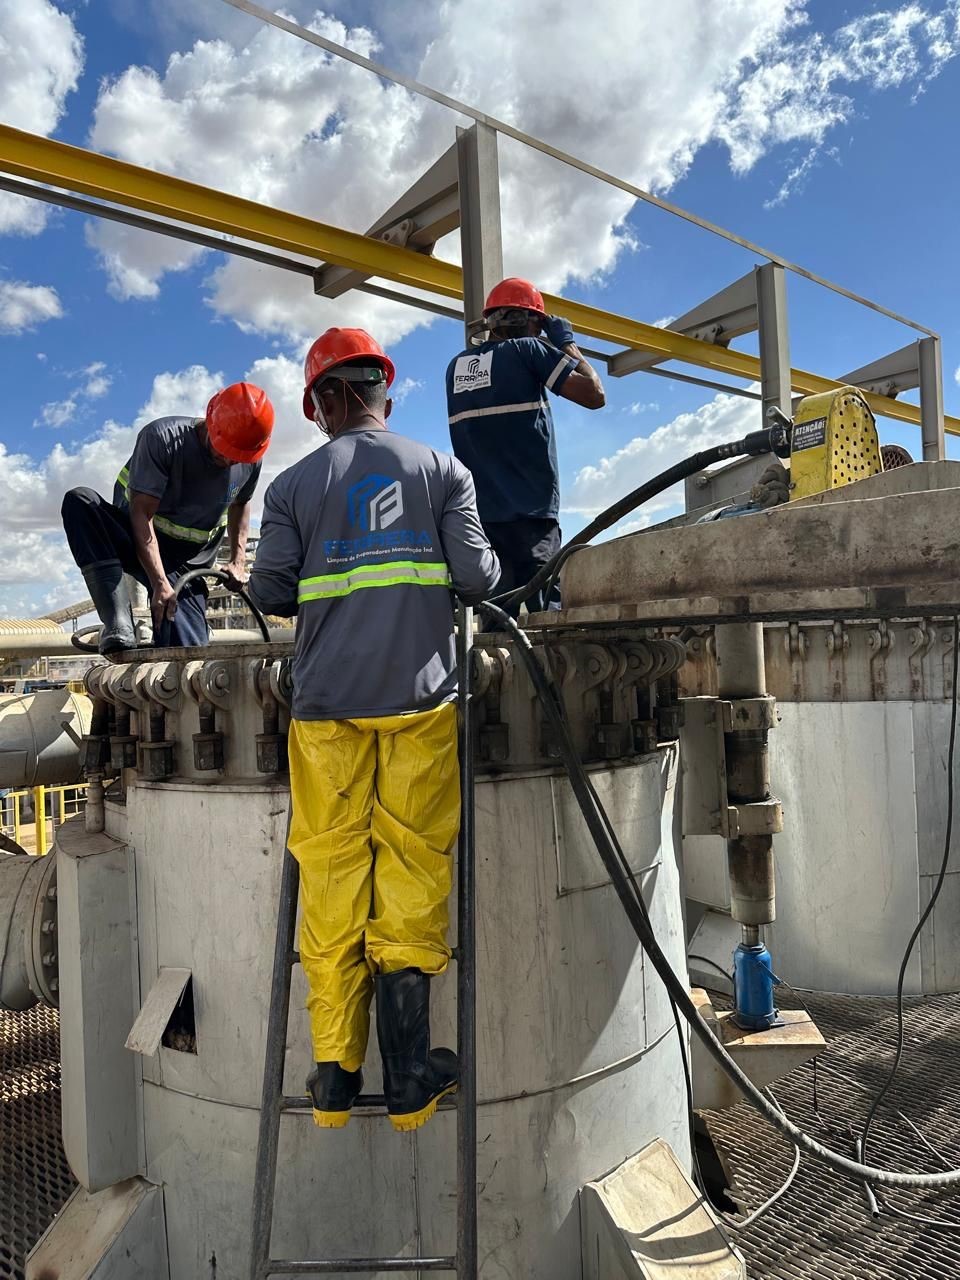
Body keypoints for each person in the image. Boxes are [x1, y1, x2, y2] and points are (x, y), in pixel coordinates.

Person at [249, 327, 499, 1132]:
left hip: (325, 711)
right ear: (383, 392)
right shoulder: (442, 471)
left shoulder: (290, 485)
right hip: (420, 705)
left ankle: (331, 1077)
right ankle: (409, 1080)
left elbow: (273, 592)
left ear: (321, 403)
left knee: (330, 874)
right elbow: (479, 577)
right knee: (411, 871)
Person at [61, 383, 274, 652]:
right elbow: (142, 514)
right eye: (223, 450)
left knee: (187, 655)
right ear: (210, 421)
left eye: (237, 456)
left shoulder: (250, 457)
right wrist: (159, 582)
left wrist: (238, 561)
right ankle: (117, 624)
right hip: (136, 537)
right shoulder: (162, 439)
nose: (229, 461)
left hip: (186, 563)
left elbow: (241, 504)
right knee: (80, 502)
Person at [445, 276, 605, 619]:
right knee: (548, 622)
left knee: (497, 624)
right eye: (539, 324)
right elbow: (594, 394)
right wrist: (568, 345)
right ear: (525, 321)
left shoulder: (456, 368)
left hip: (483, 522)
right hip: (533, 518)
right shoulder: (529, 350)